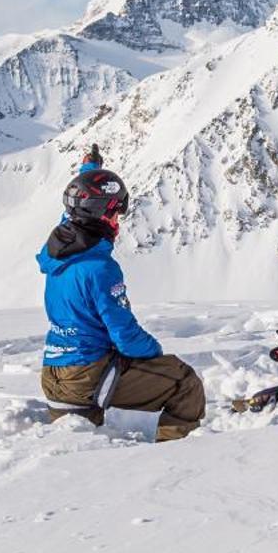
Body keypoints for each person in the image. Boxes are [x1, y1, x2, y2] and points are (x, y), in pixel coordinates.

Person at [36, 168, 204, 441]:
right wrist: (157, 356)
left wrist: (88, 172)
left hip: (54, 375)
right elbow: (125, 335)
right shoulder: (100, 269)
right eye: (115, 213)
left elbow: (74, 213)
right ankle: (176, 461)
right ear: (101, 214)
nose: (118, 221)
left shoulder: (57, 252)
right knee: (185, 383)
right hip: (84, 378)